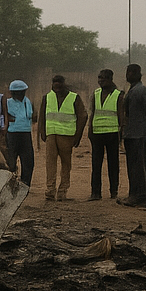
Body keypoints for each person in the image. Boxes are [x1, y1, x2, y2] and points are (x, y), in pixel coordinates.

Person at [36, 73, 87, 201]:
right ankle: (50, 190)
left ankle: (62, 191)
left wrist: (77, 136)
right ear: (52, 84)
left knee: (66, 164)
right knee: (50, 163)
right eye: (54, 83)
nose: (57, 85)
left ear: (64, 84)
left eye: (59, 83)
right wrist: (43, 132)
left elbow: (83, 116)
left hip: (67, 136)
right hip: (51, 135)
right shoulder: (47, 98)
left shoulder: (74, 97)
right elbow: (41, 116)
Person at [87, 68, 122, 201]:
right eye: (99, 77)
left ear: (110, 79)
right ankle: (95, 192)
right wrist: (90, 129)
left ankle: (114, 191)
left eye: (103, 78)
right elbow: (93, 112)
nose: (100, 80)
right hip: (97, 133)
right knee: (96, 164)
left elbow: (120, 114)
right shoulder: (95, 93)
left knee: (113, 164)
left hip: (112, 133)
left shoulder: (118, 94)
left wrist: (121, 132)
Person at [120, 64, 146, 208]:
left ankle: (141, 197)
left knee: (138, 167)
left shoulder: (141, 90)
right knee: (132, 166)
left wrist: (145, 130)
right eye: (128, 72)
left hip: (137, 134)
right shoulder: (132, 90)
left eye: (131, 72)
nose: (128, 75)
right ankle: (134, 195)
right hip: (131, 133)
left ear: (138, 74)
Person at [2, 79, 35, 186]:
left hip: (26, 134)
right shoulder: (7, 103)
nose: (19, 94)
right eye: (16, 92)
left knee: (28, 161)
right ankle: (9, 183)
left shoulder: (28, 102)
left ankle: (25, 184)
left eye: (21, 92)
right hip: (12, 135)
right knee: (11, 161)